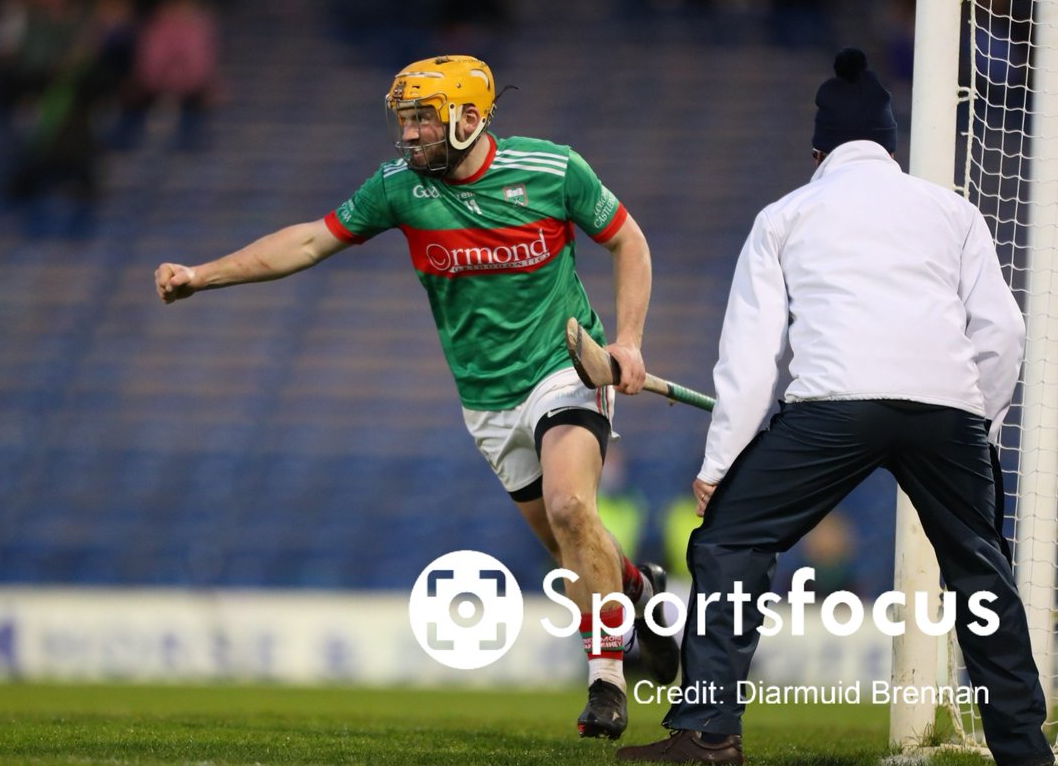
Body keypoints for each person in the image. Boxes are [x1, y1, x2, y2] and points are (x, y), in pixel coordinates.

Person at [155, 54, 679, 738]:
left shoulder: (553, 171)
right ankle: (642, 592)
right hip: (486, 398)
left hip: (566, 368)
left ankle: (607, 682)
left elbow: (629, 242)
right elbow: (311, 240)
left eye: (422, 121)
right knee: (569, 545)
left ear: (468, 118)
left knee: (572, 503)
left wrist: (630, 342)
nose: (409, 137)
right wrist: (202, 275)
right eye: (404, 122)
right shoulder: (399, 188)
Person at [618, 48, 1052, 765]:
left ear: (817, 150)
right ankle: (1024, 750)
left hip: (833, 406)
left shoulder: (786, 214)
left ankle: (708, 734)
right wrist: (980, 422)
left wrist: (721, 463)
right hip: (948, 410)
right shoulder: (953, 211)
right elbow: (1004, 331)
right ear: (890, 145)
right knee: (980, 571)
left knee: (729, 545)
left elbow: (752, 358)